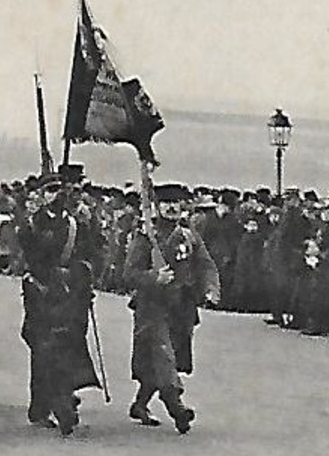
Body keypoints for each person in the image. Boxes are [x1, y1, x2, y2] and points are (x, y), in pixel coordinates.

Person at [123, 184, 219, 433]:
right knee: (163, 354)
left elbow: (206, 265)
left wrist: (210, 289)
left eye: (177, 203)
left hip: (181, 308)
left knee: (167, 358)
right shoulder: (146, 236)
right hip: (152, 308)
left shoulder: (189, 236)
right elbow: (129, 274)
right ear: (157, 207)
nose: (172, 208)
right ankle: (177, 408)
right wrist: (154, 277)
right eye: (167, 203)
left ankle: (140, 404)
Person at [17, 169, 103, 435]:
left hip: (72, 291)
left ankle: (63, 397)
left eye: (60, 191)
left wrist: (82, 274)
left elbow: (92, 252)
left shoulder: (78, 224)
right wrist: (49, 274)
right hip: (41, 291)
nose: (57, 196)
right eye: (50, 191)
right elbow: (31, 257)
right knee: (43, 349)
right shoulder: (31, 224)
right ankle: (44, 405)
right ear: (41, 196)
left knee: (70, 344)